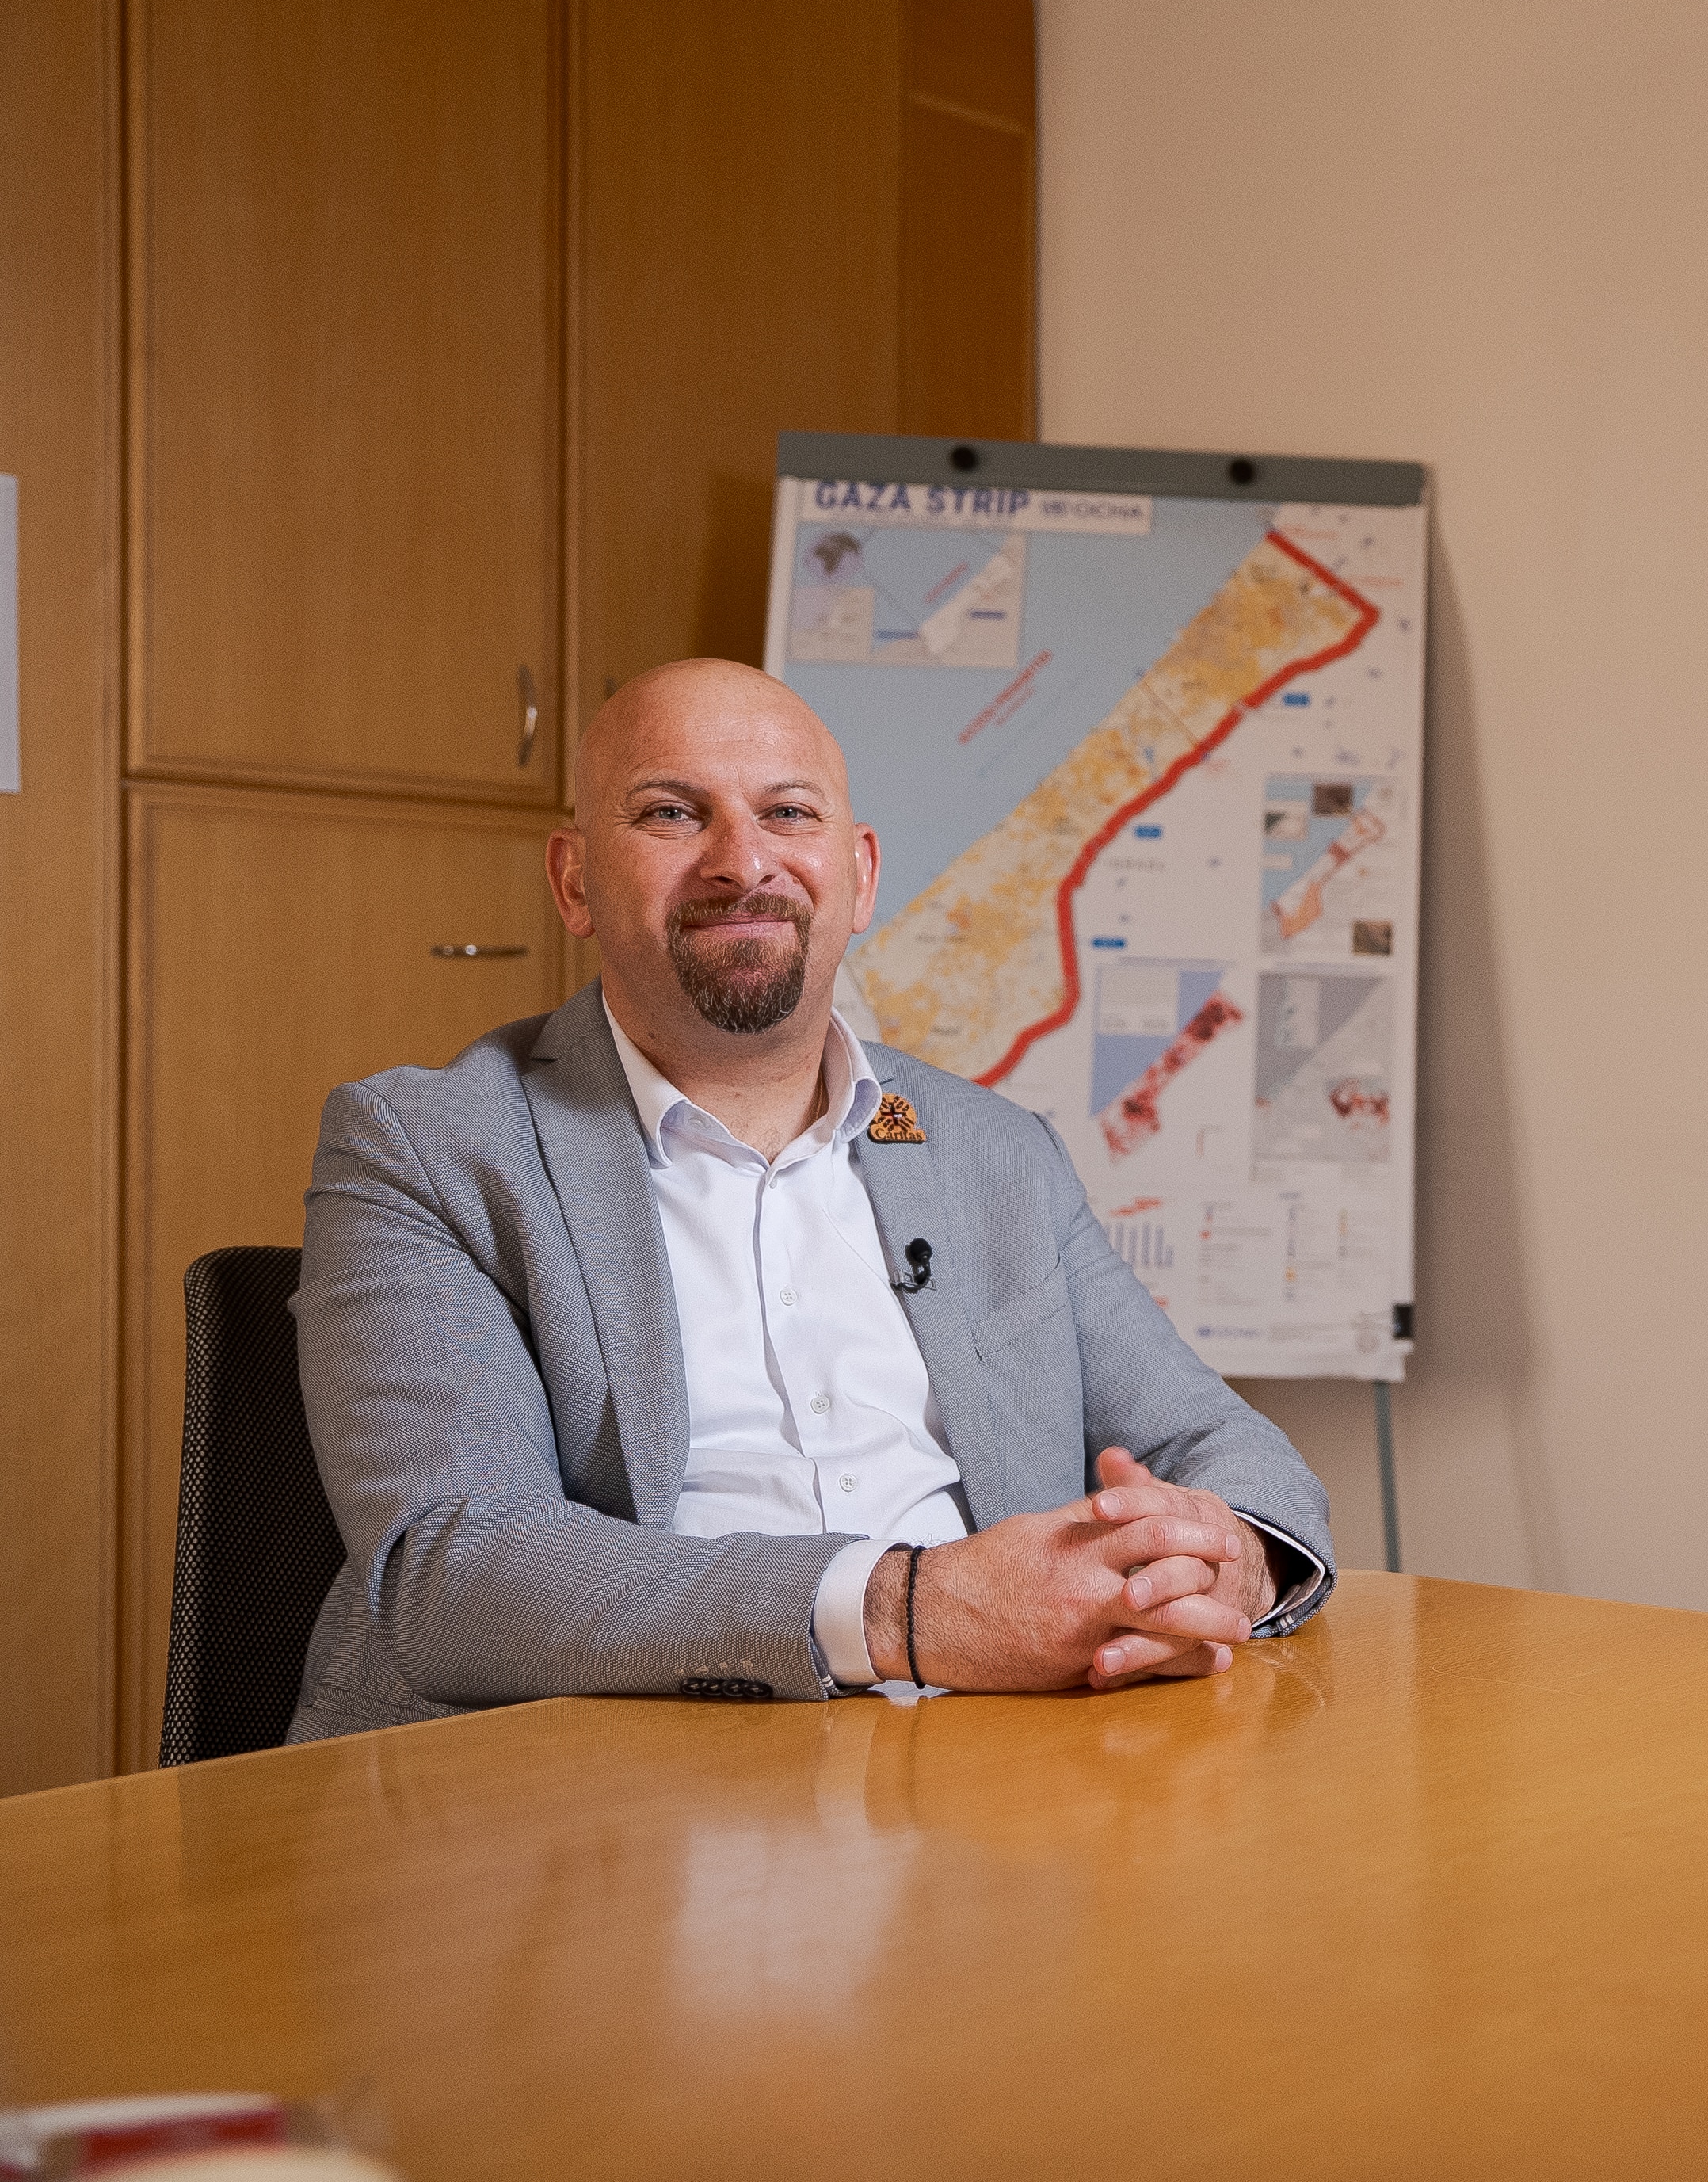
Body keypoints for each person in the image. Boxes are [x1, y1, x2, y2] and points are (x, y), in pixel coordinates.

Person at [284, 659, 1332, 1741]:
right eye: (670, 813)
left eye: (789, 812)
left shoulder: (993, 1152)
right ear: (575, 882)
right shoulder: (426, 1149)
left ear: (861, 876)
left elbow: (1219, 1444)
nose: (743, 863)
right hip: (582, 1802)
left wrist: (1224, 1563)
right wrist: (909, 1612)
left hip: (992, 1780)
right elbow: (456, 1571)